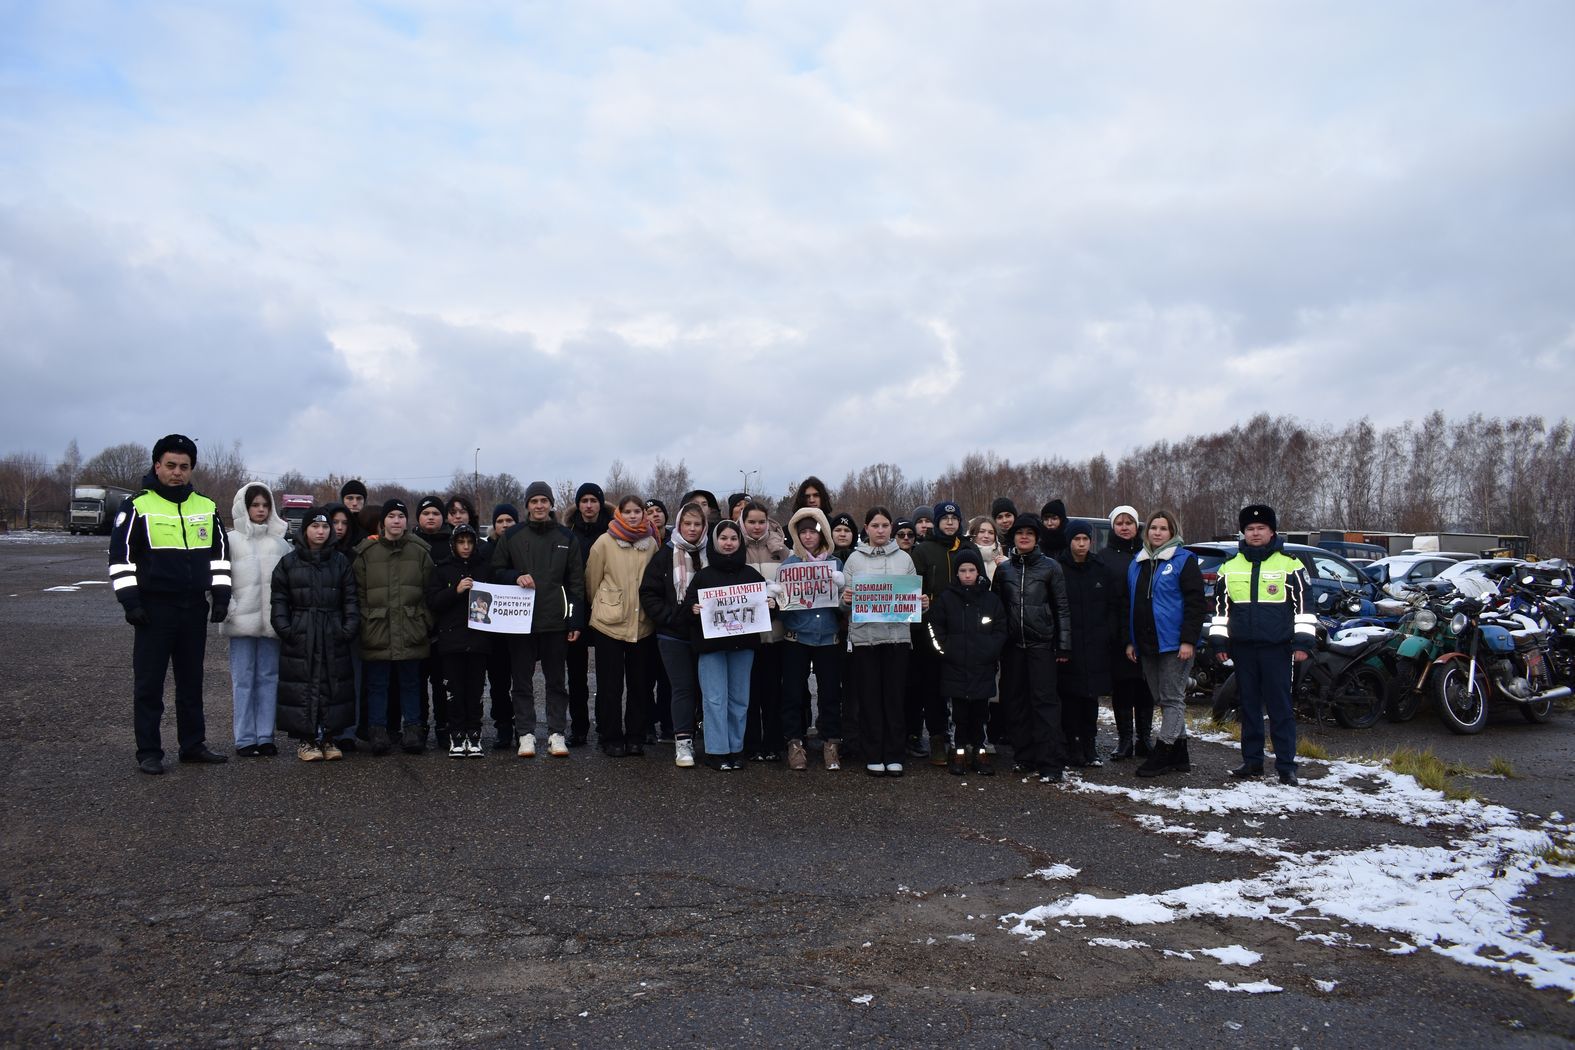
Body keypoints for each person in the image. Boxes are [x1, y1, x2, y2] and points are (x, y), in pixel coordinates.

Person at [109, 434, 232, 774]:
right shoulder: (137, 506)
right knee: (149, 685)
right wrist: (130, 602)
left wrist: (220, 597)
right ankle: (149, 751)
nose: (178, 473)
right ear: (157, 466)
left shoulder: (205, 507)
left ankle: (192, 745)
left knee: (191, 682)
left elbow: (219, 558)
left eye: (185, 467)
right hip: (153, 610)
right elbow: (121, 560)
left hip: (194, 608)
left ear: (191, 469)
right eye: (171, 466)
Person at [1211, 504, 1316, 786]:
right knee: (1249, 707)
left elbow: (1304, 609)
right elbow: (1221, 610)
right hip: (1244, 649)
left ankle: (1286, 766)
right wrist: (1220, 641)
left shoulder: (1290, 565)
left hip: (1278, 649)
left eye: (1261, 528)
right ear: (1243, 533)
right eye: (1250, 529)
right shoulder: (1229, 567)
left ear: (1272, 532)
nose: (1255, 533)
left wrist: (1303, 642)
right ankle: (1252, 762)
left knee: (1280, 708)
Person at [493, 481, 586, 758]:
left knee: (556, 681)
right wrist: (513, 577)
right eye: (534, 501)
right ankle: (526, 734)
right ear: (527, 505)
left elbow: (576, 583)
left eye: (544, 501)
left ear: (551, 504)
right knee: (521, 681)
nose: (539, 506)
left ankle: (556, 733)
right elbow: (496, 570)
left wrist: (575, 620)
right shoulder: (512, 536)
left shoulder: (566, 537)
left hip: (555, 621)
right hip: (520, 622)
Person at [270, 507, 360, 761]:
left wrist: (347, 629)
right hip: (302, 630)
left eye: (325, 527)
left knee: (333, 684)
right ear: (305, 530)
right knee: (303, 685)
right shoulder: (288, 563)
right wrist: (287, 630)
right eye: (315, 526)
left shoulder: (340, 562)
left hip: (332, 630)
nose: (320, 531)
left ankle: (330, 737)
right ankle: (307, 740)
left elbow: (350, 599)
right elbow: (279, 600)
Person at [1125, 509, 1206, 778]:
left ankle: (1164, 750)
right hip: (1146, 644)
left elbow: (1196, 604)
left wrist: (1188, 640)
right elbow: (1133, 604)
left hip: (1174, 644)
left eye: (1163, 528)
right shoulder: (1138, 562)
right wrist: (1131, 641)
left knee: (1172, 699)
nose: (1157, 532)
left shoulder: (1184, 560)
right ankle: (1180, 754)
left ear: (1172, 532)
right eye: (1153, 528)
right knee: (1161, 697)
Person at [992, 513, 1072, 784]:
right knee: (1014, 702)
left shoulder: (1050, 567)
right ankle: (1023, 756)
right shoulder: (1004, 570)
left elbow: (1062, 608)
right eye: (1019, 532)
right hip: (1013, 647)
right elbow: (997, 609)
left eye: (1029, 532)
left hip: (1042, 646)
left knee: (1045, 704)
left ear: (1037, 537)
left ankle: (1050, 762)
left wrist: (1063, 645)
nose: (1023, 536)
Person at [682, 520, 767, 771]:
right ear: (715, 542)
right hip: (711, 649)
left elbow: (764, 609)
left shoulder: (751, 574)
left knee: (739, 699)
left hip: (743, 647)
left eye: (733, 538)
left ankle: (736, 748)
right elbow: (687, 608)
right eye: (723, 538)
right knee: (714, 699)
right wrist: (693, 609)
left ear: (739, 542)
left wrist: (771, 607)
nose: (728, 543)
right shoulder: (703, 576)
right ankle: (717, 751)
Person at [354, 499, 436, 755]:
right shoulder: (366, 553)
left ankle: (412, 730)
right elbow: (358, 594)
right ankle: (378, 732)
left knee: (410, 683)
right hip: (377, 629)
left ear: (406, 521)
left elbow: (429, 592)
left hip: (411, 628)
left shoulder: (420, 551)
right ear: (383, 521)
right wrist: (366, 621)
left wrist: (423, 621)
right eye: (391, 515)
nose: (396, 520)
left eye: (401, 516)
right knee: (377, 684)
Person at [842, 507, 917, 777]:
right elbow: (844, 600)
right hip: (865, 639)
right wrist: (846, 600)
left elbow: (911, 597)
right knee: (870, 698)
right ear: (866, 528)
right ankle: (873, 753)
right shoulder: (854, 559)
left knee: (895, 698)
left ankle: (894, 754)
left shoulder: (904, 559)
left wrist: (921, 602)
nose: (881, 530)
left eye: (885, 525)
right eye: (876, 525)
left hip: (897, 637)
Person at [585, 495, 661, 757]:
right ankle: (611, 736)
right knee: (610, 685)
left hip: (643, 623)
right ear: (618, 513)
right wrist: (605, 603)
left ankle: (635, 736)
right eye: (627, 511)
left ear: (643, 514)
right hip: (610, 623)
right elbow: (592, 580)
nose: (632, 516)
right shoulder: (604, 542)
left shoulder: (651, 543)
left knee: (640, 684)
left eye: (636, 511)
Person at [223, 481, 291, 757]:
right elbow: (218, 579)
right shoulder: (230, 540)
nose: (260, 510)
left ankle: (265, 735)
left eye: (265, 505)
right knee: (242, 679)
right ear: (244, 506)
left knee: (269, 677)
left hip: (272, 622)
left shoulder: (280, 544)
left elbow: (288, 584)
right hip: (241, 622)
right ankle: (244, 738)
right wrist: (229, 607)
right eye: (255, 505)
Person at [640, 501, 709, 768]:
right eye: (687, 524)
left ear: (704, 527)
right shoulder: (664, 555)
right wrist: (669, 617)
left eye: (697, 524)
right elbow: (648, 592)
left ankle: (711, 740)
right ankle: (683, 743)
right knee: (682, 689)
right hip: (673, 635)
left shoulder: (712, 554)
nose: (692, 529)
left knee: (708, 689)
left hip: (707, 633)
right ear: (679, 525)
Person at [778, 507, 846, 772]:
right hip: (797, 638)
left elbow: (841, 607)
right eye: (803, 532)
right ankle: (795, 742)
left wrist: (842, 595)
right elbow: (782, 605)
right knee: (793, 692)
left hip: (828, 638)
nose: (808, 537)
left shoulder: (835, 564)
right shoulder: (790, 565)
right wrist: (779, 598)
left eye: (813, 532)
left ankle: (831, 741)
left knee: (830, 693)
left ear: (822, 535)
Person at [929, 549, 1007, 776]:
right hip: (954, 666)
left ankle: (979, 749)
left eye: (972, 570)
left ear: (978, 572)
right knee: (958, 713)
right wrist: (945, 651)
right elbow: (934, 628)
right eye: (963, 570)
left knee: (981, 713)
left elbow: (1001, 629)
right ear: (957, 573)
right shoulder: (946, 598)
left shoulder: (991, 600)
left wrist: (991, 651)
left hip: (983, 666)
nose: (967, 575)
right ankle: (958, 750)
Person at [910, 499, 970, 765]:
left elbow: (981, 581)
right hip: (930, 626)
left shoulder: (968, 548)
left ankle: (966, 738)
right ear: (936, 522)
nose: (949, 523)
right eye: (944, 519)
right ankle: (937, 737)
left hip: (963, 628)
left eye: (954, 519)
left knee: (961, 684)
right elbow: (913, 586)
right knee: (933, 685)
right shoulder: (923, 550)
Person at [427, 523, 493, 758]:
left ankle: (474, 735)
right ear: (453, 544)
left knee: (475, 691)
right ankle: (456, 735)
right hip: (451, 641)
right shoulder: (442, 569)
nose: (465, 547)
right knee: (453, 690)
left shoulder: (485, 568)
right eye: (461, 542)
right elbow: (433, 601)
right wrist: (455, 591)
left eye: (470, 542)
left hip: (479, 640)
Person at [1058, 520, 1119, 768]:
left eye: (1085, 539)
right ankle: (1073, 745)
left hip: (1095, 644)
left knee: (1091, 698)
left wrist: (1109, 635)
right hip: (1070, 645)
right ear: (1069, 541)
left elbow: (1112, 605)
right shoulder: (1059, 568)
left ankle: (1090, 744)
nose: (1081, 544)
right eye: (1076, 539)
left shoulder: (1100, 568)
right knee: (1071, 699)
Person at [1096, 505, 1152, 761]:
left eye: (1130, 522)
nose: (1125, 527)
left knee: (1145, 686)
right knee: (1123, 687)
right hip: (1116, 631)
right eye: (1120, 523)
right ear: (1113, 527)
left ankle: (1144, 738)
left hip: (1146, 629)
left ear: (1137, 526)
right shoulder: (1104, 557)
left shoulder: (1148, 554)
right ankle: (1125, 739)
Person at [739, 500, 789, 762]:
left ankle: (773, 742)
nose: (757, 527)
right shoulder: (735, 550)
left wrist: (777, 604)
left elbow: (793, 592)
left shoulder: (783, 552)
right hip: (746, 636)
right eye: (751, 522)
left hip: (775, 632)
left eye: (761, 522)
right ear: (743, 523)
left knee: (773, 692)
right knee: (749, 692)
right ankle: (751, 743)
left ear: (768, 522)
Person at [564, 482, 611, 746]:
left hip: (606, 609)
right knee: (577, 674)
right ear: (578, 504)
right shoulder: (568, 533)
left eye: (594, 500)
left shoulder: (612, 532)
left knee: (606, 673)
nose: (589, 505)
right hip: (576, 609)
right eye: (584, 501)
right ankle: (579, 727)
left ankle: (605, 724)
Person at [483, 503, 518, 749]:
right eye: (500, 521)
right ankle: (503, 726)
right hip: (494, 627)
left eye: (509, 520)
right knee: (498, 681)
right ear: (494, 525)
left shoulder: (523, 546)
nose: (505, 525)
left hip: (519, 623)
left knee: (522, 679)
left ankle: (523, 725)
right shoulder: (485, 550)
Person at [967, 516, 1007, 582]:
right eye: (981, 531)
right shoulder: (964, 558)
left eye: (991, 533)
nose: (986, 536)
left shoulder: (1005, 562)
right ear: (972, 534)